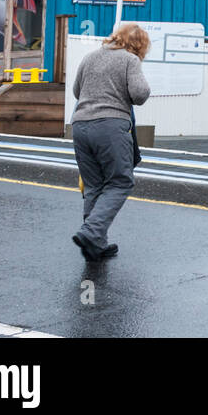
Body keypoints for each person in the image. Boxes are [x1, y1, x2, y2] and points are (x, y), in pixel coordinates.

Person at [69, 22, 152, 261]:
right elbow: (139, 94)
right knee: (119, 182)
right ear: (139, 44)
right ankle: (92, 231)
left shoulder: (89, 57)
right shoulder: (129, 60)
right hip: (111, 127)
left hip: (81, 126)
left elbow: (77, 91)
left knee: (94, 185)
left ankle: (95, 244)